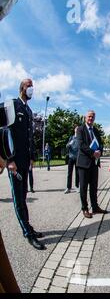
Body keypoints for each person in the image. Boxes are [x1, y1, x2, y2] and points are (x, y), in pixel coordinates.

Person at [6, 79, 45, 249]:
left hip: (25, 161)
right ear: (22, 88)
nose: (32, 89)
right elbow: (4, 132)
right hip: (14, 161)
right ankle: (27, 233)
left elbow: (30, 137)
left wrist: (32, 157)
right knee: (18, 199)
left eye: (32, 86)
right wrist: (8, 159)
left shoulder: (28, 110)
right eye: (29, 86)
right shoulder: (12, 106)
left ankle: (28, 226)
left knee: (24, 195)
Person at [76, 110, 107, 218]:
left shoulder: (96, 131)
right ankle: (85, 208)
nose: (91, 118)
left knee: (94, 187)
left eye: (93, 117)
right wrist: (93, 153)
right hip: (83, 164)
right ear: (85, 117)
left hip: (94, 164)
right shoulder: (80, 129)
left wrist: (100, 152)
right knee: (83, 188)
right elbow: (81, 145)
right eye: (89, 116)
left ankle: (95, 207)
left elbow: (100, 144)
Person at [65, 125, 80, 194]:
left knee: (77, 173)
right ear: (74, 130)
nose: (77, 129)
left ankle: (77, 187)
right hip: (71, 157)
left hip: (77, 158)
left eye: (78, 129)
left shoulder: (80, 138)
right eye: (76, 128)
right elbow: (67, 146)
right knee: (69, 173)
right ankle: (68, 188)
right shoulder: (71, 137)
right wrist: (69, 144)